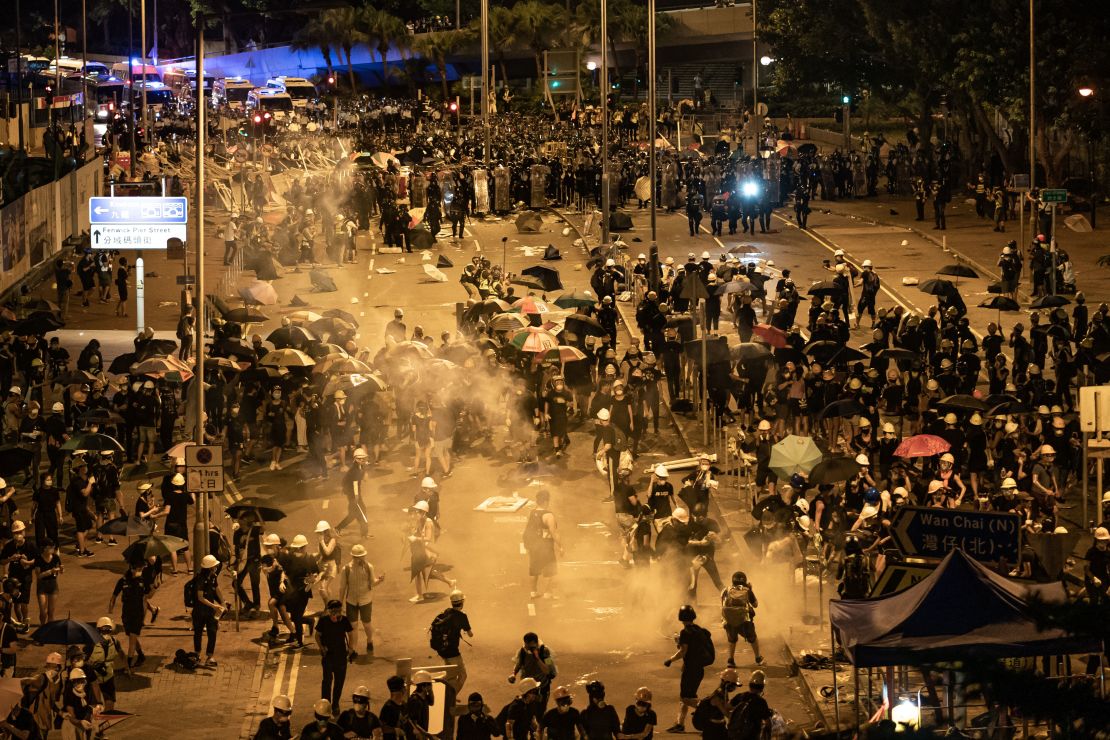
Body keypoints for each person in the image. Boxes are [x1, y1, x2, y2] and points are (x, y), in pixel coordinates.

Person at [663, 605, 715, 733]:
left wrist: (670, 659)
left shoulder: (685, 632)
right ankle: (680, 724)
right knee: (685, 696)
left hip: (690, 670)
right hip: (698, 670)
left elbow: (683, 652)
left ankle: (709, 712)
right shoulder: (698, 630)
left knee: (686, 698)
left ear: (681, 618)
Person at [338, 543, 383, 653]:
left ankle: (369, 639)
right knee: (353, 625)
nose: (361, 559)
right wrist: (340, 602)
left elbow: (372, 583)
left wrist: (380, 580)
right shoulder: (346, 569)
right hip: (351, 601)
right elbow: (342, 587)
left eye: (362, 556)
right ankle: (354, 648)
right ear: (354, 557)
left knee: (367, 623)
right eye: (358, 557)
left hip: (365, 600)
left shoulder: (369, 567)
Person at [430, 589, 473, 693]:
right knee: (462, 675)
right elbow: (470, 634)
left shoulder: (446, 612)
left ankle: (436, 685)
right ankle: (449, 697)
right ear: (462, 602)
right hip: (452, 652)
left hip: (441, 649)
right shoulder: (462, 616)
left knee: (450, 674)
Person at [523, 490, 562, 599]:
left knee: (534, 570)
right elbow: (554, 532)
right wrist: (560, 546)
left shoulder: (532, 513)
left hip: (534, 546)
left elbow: (530, 529)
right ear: (546, 501)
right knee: (550, 570)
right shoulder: (549, 515)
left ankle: (533, 592)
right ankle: (548, 593)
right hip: (546, 546)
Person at [316, 599, 354, 712]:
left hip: (341, 656)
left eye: (338, 611)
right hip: (328, 656)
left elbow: (350, 634)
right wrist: (321, 648)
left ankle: (335, 704)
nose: (336, 615)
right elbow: (317, 635)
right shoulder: (323, 620)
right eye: (334, 612)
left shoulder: (344, 620)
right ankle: (326, 704)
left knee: (339, 682)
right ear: (329, 611)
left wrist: (351, 649)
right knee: (327, 681)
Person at [109, 561, 148, 668]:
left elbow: (145, 600)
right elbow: (114, 596)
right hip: (126, 613)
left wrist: (143, 617)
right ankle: (141, 655)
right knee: (131, 636)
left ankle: (129, 665)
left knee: (132, 639)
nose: (141, 572)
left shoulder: (143, 581)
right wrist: (110, 610)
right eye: (139, 570)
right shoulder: (123, 581)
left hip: (137, 613)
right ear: (132, 569)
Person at [510, 632, 558, 717]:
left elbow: (548, 670)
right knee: (527, 710)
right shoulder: (523, 651)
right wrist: (513, 674)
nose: (529, 649)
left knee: (540, 710)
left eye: (531, 647)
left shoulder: (545, 651)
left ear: (536, 643)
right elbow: (519, 664)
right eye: (527, 646)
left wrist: (537, 658)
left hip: (542, 686)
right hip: (528, 687)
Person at [720, 572, 762, 667]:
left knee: (732, 640)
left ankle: (730, 660)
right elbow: (755, 605)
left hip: (729, 620)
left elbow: (722, 604)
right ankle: (758, 658)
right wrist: (751, 590)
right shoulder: (747, 590)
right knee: (753, 638)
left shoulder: (726, 590)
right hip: (744, 621)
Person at [190, 554, 225, 667]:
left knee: (212, 632)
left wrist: (222, 602)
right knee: (198, 633)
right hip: (199, 611)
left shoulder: (213, 576)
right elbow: (200, 597)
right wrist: (214, 606)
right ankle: (197, 654)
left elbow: (217, 589)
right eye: (214, 566)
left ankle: (210, 657)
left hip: (210, 611)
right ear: (210, 568)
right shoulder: (200, 579)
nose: (216, 567)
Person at [691, 669, 739, 740]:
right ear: (727, 684)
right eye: (733, 685)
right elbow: (726, 713)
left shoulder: (722, 692)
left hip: (719, 726)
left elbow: (727, 707)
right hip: (713, 729)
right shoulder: (718, 696)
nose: (734, 687)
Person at [86, 617, 122, 711]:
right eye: (104, 630)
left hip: (101, 676)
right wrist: (127, 667)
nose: (106, 632)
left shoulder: (91, 642)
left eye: (107, 630)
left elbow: (85, 659)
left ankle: (102, 718)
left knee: (104, 701)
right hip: (103, 675)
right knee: (107, 700)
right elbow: (121, 654)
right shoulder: (115, 641)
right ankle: (106, 718)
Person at [725, 671, 772, 740]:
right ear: (762, 687)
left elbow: (727, 707)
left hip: (735, 735)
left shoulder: (740, 696)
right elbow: (768, 723)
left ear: (750, 684)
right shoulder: (761, 702)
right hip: (751, 736)